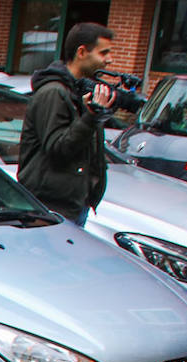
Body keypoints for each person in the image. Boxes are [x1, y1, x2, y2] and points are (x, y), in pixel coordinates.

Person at [18, 22, 115, 226]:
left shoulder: (76, 92)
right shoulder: (54, 92)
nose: (109, 60)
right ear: (82, 52)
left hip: (71, 205)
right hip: (51, 207)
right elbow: (58, 147)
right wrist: (90, 116)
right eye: (103, 53)